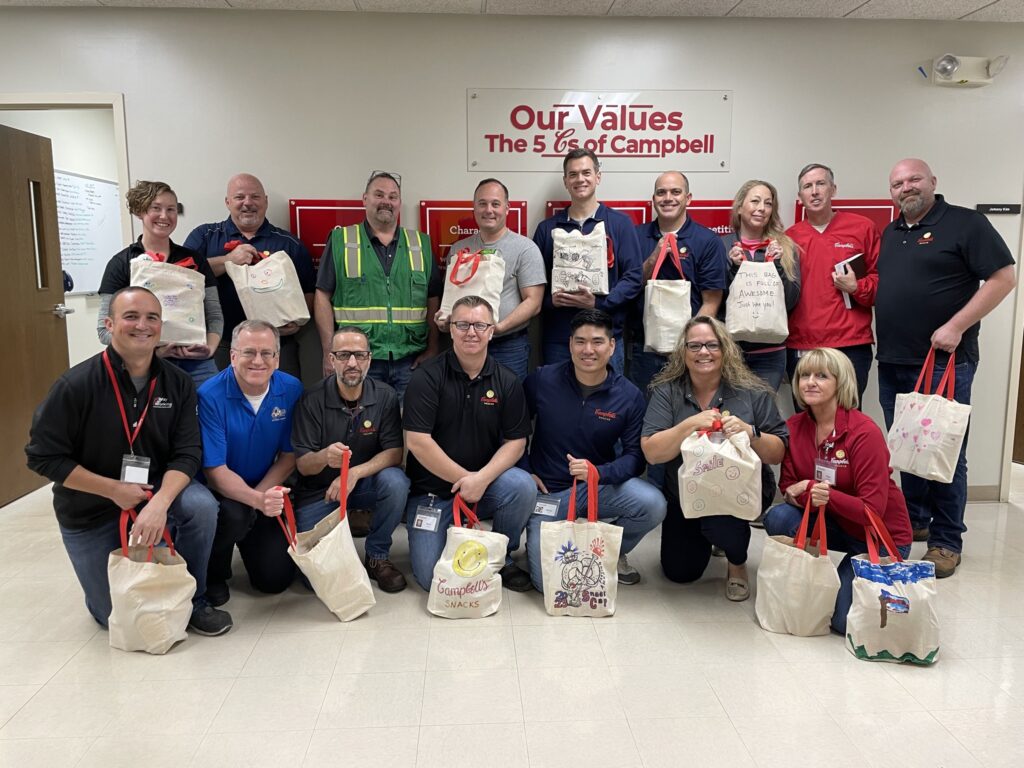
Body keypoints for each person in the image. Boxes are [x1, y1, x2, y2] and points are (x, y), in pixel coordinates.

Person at [26, 287, 231, 636]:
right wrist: (113, 490)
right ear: (109, 324)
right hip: (90, 506)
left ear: (161, 327)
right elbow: (43, 457)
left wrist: (160, 505)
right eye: (131, 316)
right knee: (113, 615)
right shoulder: (75, 385)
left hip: (153, 496)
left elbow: (187, 453)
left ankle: (194, 596)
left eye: (152, 317)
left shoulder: (178, 383)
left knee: (201, 506)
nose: (142, 325)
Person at [876, 158, 1016, 577]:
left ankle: (946, 541)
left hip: (944, 362)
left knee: (944, 452)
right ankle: (917, 520)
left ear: (933, 182)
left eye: (914, 179)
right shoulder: (892, 231)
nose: (906, 188)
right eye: (898, 183)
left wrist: (957, 326)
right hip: (895, 360)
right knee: (908, 448)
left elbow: (1004, 277)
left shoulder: (965, 224)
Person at [765, 348, 912, 634]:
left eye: (821, 376)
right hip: (836, 524)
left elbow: (872, 511)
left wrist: (821, 492)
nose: (810, 382)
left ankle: (845, 581)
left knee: (844, 623)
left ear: (840, 383)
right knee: (779, 518)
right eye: (804, 375)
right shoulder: (794, 427)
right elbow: (788, 488)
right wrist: (811, 492)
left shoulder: (864, 432)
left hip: (879, 535)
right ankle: (821, 582)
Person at [641, 316, 787, 601]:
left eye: (711, 344)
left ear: (726, 349)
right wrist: (689, 425)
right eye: (694, 346)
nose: (703, 352)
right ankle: (710, 537)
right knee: (679, 572)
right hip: (685, 495)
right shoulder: (666, 390)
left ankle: (736, 562)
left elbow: (778, 451)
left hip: (737, 492)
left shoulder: (752, 391)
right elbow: (652, 452)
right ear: (682, 352)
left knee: (719, 523)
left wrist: (750, 432)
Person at [522, 309, 666, 592]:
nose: (588, 350)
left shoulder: (629, 396)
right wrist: (525, 470)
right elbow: (510, 430)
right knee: (548, 586)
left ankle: (611, 552)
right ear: (570, 344)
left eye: (598, 341)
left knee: (652, 503)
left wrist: (598, 472)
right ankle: (535, 545)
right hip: (547, 493)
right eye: (580, 341)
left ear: (612, 346)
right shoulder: (542, 380)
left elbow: (636, 458)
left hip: (595, 488)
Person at [403, 295, 536, 592]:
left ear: (491, 330)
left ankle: (502, 554)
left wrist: (481, 480)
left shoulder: (507, 380)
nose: (471, 332)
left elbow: (516, 442)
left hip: (484, 489)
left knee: (521, 485)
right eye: (462, 324)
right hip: (432, 494)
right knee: (430, 579)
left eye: (479, 325)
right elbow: (417, 442)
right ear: (450, 329)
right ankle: (453, 533)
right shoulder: (426, 377)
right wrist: (465, 481)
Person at [291, 326, 409, 593]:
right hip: (321, 491)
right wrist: (323, 456)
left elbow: (394, 453)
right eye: (343, 355)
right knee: (313, 582)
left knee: (396, 481)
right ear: (331, 360)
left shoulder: (385, 396)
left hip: (364, 485)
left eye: (359, 355)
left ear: (369, 358)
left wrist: (353, 474)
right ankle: (335, 558)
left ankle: (377, 556)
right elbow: (302, 464)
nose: (352, 363)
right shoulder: (311, 399)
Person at [198, 320, 304, 603]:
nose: (258, 361)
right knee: (233, 514)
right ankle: (215, 572)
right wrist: (256, 502)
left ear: (277, 359)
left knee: (275, 581)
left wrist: (262, 497)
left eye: (266, 353)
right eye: (248, 352)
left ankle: (251, 539)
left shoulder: (291, 389)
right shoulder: (210, 395)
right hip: (223, 493)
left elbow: (290, 455)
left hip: (266, 485)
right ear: (232, 356)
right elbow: (215, 471)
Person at [314, 171, 439, 400]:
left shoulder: (420, 243)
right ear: (365, 199)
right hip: (357, 360)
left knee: (407, 429)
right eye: (379, 194)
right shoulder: (342, 241)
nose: (386, 202)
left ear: (399, 203)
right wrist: (329, 352)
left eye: (392, 197)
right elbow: (322, 295)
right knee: (360, 429)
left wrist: (433, 348)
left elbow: (432, 299)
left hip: (410, 362)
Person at [183, 173, 317, 381]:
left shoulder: (289, 244)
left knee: (282, 407)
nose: (248, 203)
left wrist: (297, 322)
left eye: (255, 197)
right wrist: (227, 261)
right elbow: (185, 278)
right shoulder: (205, 236)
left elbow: (309, 291)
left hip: (276, 347)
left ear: (265, 201)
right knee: (220, 407)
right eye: (239, 197)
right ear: (228, 202)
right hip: (220, 345)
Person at [98, 180, 223, 387]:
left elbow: (214, 314)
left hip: (198, 365)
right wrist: (153, 350)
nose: (164, 216)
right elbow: (103, 331)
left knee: (208, 414)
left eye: (171, 209)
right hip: (142, 364)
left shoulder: (196, 260)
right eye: (156, 208)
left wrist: (208, 349)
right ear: (140, 211)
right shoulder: (121, 263)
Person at [533, 148, 642, 374]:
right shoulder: (547, 229)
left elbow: (633, 278)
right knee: (558, 402)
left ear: (598, 176)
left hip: (606, 336)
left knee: (607, 405)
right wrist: (553, 301)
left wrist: (598, 304)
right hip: (560, 339)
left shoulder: (620, 224)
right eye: (573, 174)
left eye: (586, 172)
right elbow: (535, 286)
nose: (580, 179)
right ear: (565, 181)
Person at [434, 178, 546, 381]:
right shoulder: (458, 249)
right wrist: (445, 322)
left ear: (507, 208)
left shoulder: (526, 249)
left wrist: (497, 328)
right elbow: (450, 299)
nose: (489, 210)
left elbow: (534, 302)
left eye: (495, 204)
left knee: (508, 406)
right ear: (474, 207)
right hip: (463, 346)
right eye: (482, 203)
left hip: (507, 347)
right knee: (463, 405)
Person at [786, 164, 880, 402]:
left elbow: (884, 284)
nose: (815, 191)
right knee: (807, 423)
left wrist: (857, 287)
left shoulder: (862, 228)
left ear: (833, 189)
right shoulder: (789, 238)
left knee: (848, 421)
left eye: (821, 184)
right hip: (803, 344)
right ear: (800, 197)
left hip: (851, 343)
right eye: (807, 186)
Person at [630, 170, 728, 395]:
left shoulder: (708, 241)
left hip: (689, 352)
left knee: (690, 418)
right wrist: (653, 258)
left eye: (676, 192)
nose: (668, 198)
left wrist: (689, 345)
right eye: (661, 192)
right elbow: (627, 288)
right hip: (643, 348)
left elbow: (711, 302)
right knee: (647, 419)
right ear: (653, 199)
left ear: (688, 198)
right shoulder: (635, 236)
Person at [721, 180, 801, 392]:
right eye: (755, 201)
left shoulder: (785, 246)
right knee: (731, 415)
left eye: (767, 203)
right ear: (739, 207)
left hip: (770, 354)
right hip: (731, 351)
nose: (761, 208)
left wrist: (778, 265)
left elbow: (791, 301)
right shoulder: (722, 245)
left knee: (763, 414)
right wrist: (733, 270)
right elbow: (714, 300)